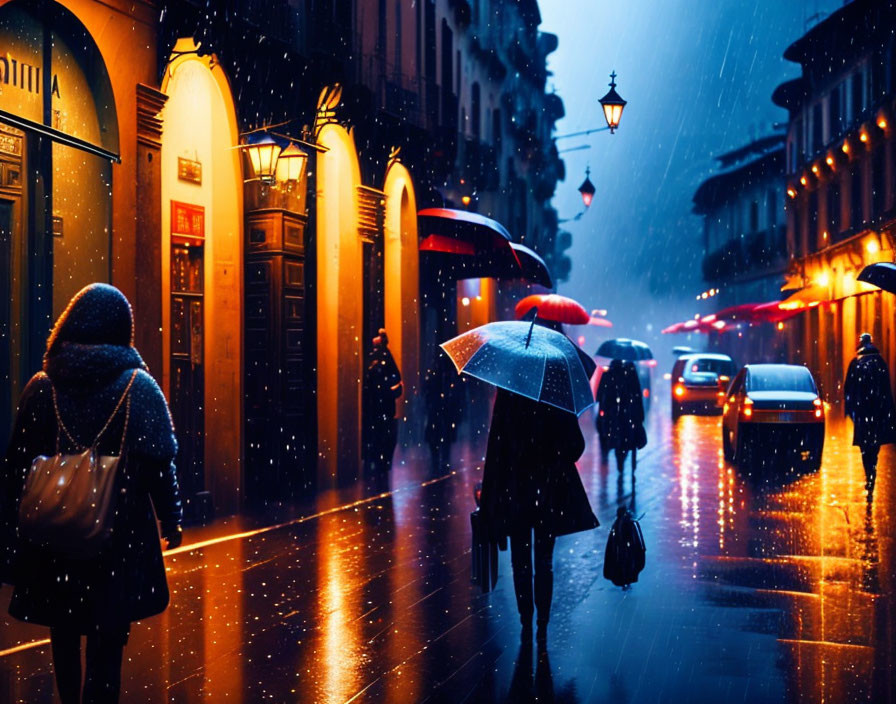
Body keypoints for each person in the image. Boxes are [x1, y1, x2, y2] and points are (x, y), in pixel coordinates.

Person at [1, 283, 182, 704]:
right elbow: (160, 461)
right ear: (122, 330)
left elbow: (16, 467)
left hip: (56, 536)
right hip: (117, 539)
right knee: (108, 637)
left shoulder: (43, 386)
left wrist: (12, 533)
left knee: (63, 632)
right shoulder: (139, 387)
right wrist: (171, 517)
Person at [480, 389, 598, 644]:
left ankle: (526, 619)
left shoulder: (509, 392)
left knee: (520, 559)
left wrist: (492, 491)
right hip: (549, 489)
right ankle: (542, 622)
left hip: (516, 488)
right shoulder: (556, 393)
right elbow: (576, 445)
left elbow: (496, 445)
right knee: (544, 559)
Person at [844, 332, 896, 503]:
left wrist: (850, 411)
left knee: (865, 447)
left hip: (862, 412)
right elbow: (887, 390)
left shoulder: (856, 363)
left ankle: (870, 474)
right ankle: (872, 472)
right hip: (877, 412)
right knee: (874, 445)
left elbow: (848, 390)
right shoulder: (880, 363)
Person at [595, 358, 647, 471]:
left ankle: (610, 452)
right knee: (627, 436)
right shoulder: (630, 374)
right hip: (625, 413)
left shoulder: (608, 374)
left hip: (613, 412)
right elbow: (637, 396)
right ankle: (623, 454)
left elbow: (599, 395)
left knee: (608, 432)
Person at [363, 329, 403, 470]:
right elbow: (396, 376)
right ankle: (381, 461)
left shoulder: (381, 358)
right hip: (380, 404)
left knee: (382, 433)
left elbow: (395, 376)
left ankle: (381, 461)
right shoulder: (379, 358)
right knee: (382, 433)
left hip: (380, 404)